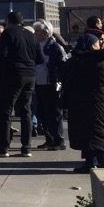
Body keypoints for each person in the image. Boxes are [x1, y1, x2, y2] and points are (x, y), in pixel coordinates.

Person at [66, 28, 104, 173]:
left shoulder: (75, 62)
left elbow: (68, 80)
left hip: (83, 103)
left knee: (88, 132)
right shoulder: (103, 60)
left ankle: (92, 162)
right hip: (103, 101)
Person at [0, 11, 44, 158]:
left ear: (8, 21)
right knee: (26, 111)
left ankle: (3, 147)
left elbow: (1, 54)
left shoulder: (8, 33)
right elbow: (40, 58)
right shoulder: (31, 35)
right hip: (30, 75)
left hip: (12, 75)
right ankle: (26, 147)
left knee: (6, 111)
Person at [33, 20, 68, 150]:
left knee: (54, 113)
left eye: (38, 31)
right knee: (43, 112)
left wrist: (56, 75)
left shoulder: (54, 46)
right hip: (38, 82)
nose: (36, 34)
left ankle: (58, 140)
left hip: (51, 83)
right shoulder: (37, 44)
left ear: (46, 32)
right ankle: (49, 138)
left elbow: (63, 63)